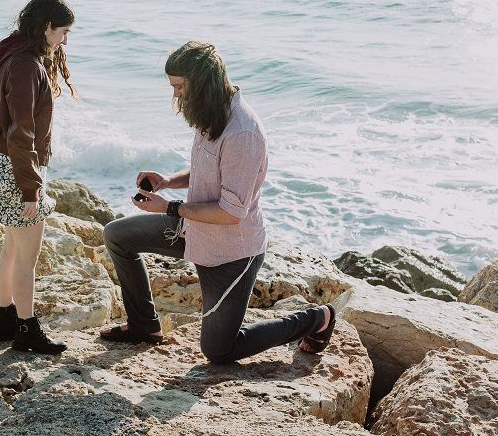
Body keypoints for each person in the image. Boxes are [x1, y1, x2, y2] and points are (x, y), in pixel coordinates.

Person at [100, 41, 344, 363]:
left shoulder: (242, 132)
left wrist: (168, 207)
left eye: (179, 87)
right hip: (194, 229)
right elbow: (209, 170)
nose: (175, 95)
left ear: (201, 84)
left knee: (219, 351)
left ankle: (317, 318)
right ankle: (144, 326)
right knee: (118, 236)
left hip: (231, 251)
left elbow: (231, 212)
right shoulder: (211, 113)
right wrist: (169, 181)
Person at [0, 0, 77, 355]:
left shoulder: (13, 56)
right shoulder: (26, 66)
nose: (65, 40)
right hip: (18, 170)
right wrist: (31, 190)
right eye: (63, 32)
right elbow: (21, 133)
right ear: (46, 28)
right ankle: (27, 331)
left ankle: (5, 320)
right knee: (27, 257)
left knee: (12, 248)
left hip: (6, 163)